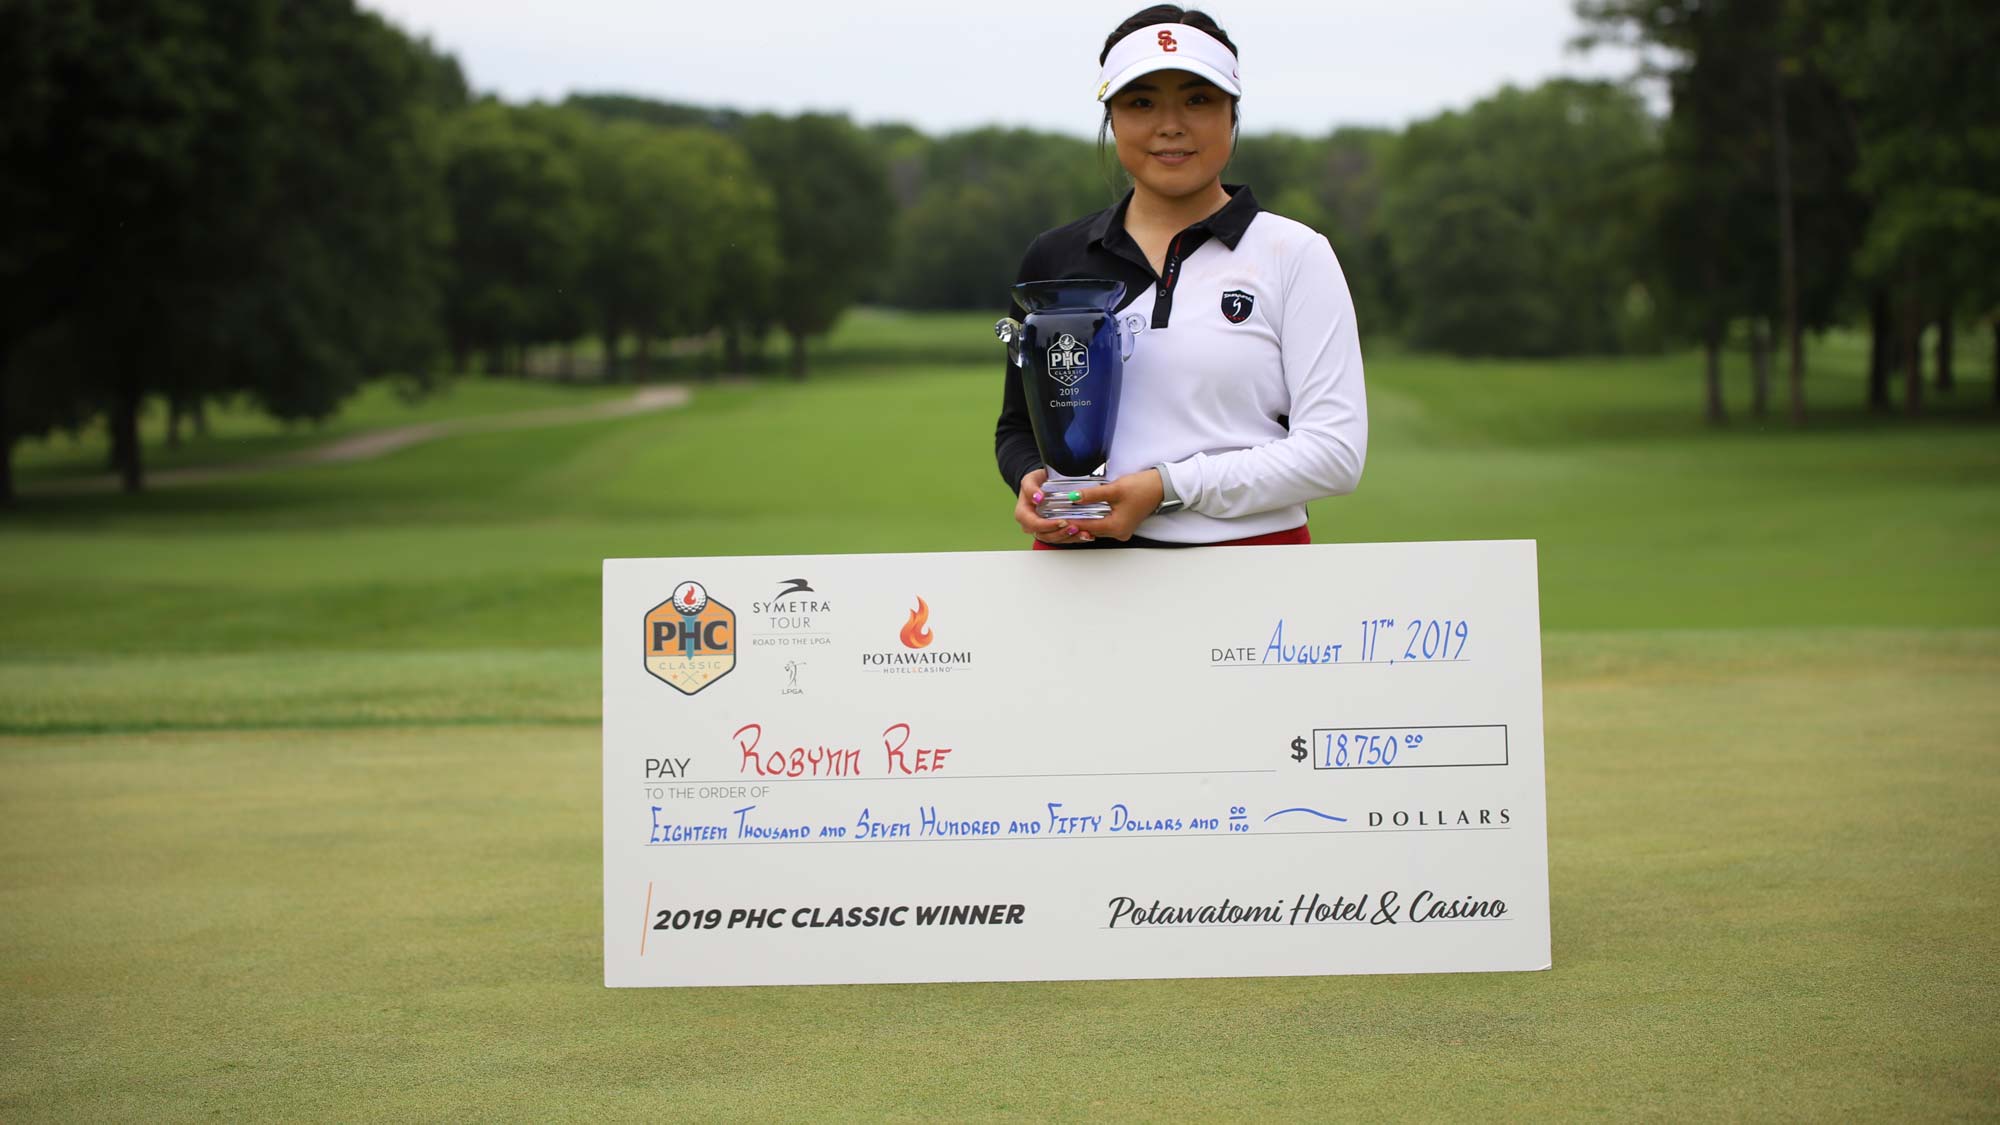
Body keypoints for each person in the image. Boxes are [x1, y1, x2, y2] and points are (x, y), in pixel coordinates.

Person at [995, 4, 1368, 549]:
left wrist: (1167, 489)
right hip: (1079, 567)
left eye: (1198, 100)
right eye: (1141, 102)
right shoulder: (1055, 258)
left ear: (1232, 113)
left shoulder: (1295, 254)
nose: (1170, 125)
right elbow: (1019, 428)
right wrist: (1032, 480)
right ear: (1111, 118)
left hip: (1254, 567)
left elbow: (1334, 454)